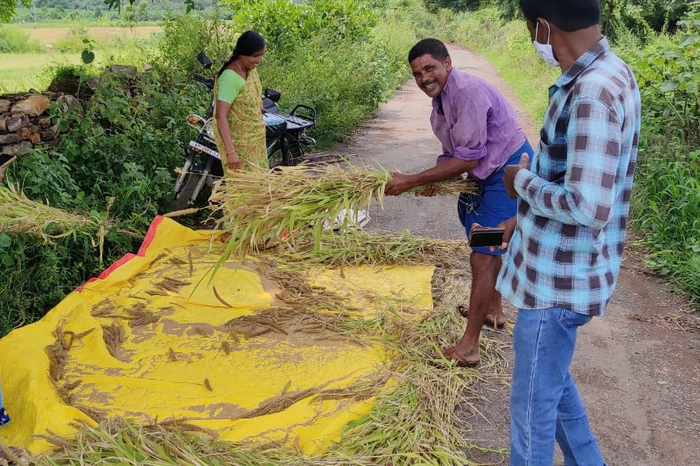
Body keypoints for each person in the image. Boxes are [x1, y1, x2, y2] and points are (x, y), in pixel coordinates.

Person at [495, 1, 641, 464]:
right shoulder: (609, 72)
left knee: (531, 415)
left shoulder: (592, 92)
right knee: (552, 389)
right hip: (562, 271)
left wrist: (520, 183)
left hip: (555, 288)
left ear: (542, 25)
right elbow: (580, 179)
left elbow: (586, 204)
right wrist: (524, 215)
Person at [385, 38, 533, 367]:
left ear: (447, 64)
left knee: (484, 255)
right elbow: (455, 150)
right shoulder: (442, 99)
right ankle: (493, 310)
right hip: (486, 174)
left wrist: (413, 179)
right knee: (480, 236)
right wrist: (438, 177)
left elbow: (469, 157)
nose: (423, 78)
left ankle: (469, 348)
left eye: (429, 68)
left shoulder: (466, 91)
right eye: (417, 73)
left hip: (505, 176)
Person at [214, 30, 269, 172]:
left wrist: (258, 104)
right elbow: (221, 116)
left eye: (261, 55)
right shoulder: (230, 78)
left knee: (259, 187)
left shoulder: (250, 70)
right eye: (255, 56)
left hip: (255, 143)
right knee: (244, 190)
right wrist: (231, 153)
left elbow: (251, 94)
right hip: (239, 148)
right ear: (242, 54)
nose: (258, 60)